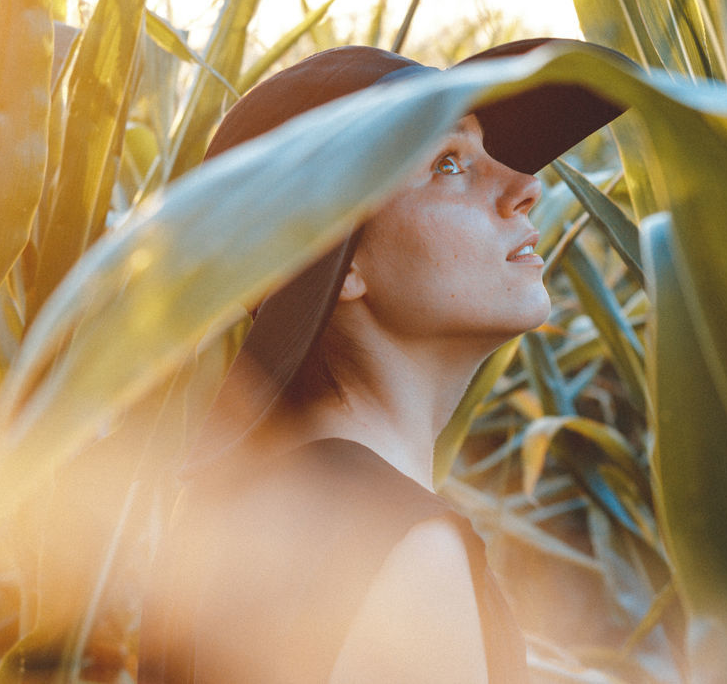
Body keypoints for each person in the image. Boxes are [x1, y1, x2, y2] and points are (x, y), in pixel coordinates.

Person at [138, 39, 630, 683]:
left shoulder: (240, 514)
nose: (525, 187)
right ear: (341, 264)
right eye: (449, 164)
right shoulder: (404, 553)